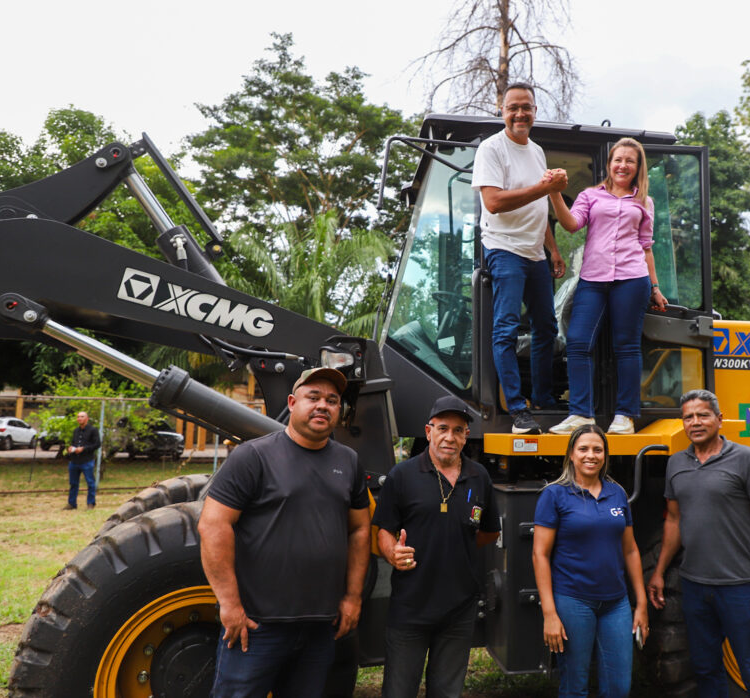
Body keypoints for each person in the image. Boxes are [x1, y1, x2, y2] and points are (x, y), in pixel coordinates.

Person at [198, 367, 371, 697]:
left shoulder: (349, 462)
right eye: (313, 397)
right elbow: (213, 524)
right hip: (258, 626)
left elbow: (360, 529)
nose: (323, 406)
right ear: (292, 403)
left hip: (321, 626)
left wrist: (352, 597)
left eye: (332, 400)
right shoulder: (253, 456)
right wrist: (230, 605)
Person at [646, 389, 750, 697]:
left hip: (739, 587)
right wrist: (658, 571)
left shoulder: (746, 459)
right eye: (688, 417)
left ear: (719, 419)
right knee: (705, 669)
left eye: (703, 415)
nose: (695, 422)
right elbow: (674, 521)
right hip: (695, 587)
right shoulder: (676, 463)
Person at [372, 395, 500, 698]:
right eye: (443, 428)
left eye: (458, 430)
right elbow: (383, 530)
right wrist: (392, 553)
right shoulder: (402, 475)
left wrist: (455, 545)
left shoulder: (479, 476)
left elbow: (489, 532)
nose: (450, 437)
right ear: (428, 431)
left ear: (466, 436)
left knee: (446, 692)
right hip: (411, 607)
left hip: (459, 609)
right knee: (399, 691)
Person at [546, 137, 668, 436]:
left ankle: (625, 416)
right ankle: (580, 414)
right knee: (577, 341)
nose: (623, 165)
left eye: (630, 161)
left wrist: (655, 287)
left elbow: (646, 247)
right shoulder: (590, 196)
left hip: (632, 279)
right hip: (593, 279)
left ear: (637, 167)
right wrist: (554, 193)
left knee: (626, 346)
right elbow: (571, 224)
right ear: (609, 164)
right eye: (618, 160)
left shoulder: (644, 202)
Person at [471, 82, 568, 435]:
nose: (520, 113)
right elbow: (493, 202)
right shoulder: (491, 149)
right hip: (504, 249)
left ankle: (542, 398)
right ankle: (517, 408)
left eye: (526, 107)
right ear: (502, 111)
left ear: (535, 111)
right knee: (507, 329)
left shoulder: (537, 151)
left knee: (547, 327)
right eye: (513, 107)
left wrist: (552, 249)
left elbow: (539, 208)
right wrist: (545, 187)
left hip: (535, 253)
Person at [532, 424, 649, 698]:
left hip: (616, 603)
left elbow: (630, 550)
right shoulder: (554, 494)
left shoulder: (617, 493)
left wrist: (641, 603)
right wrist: (550, 613)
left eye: (598, 449)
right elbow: (540, 555)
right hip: (573, 601)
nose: (591, 455)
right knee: (575, 687)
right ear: (571, 455)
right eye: (583, 449)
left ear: (605, 455)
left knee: (619, 688)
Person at [64, 411, 100, 510]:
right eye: (78, 417)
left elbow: (97, 444)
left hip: (87, 460)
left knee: (90, 483)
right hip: (74, 461)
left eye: (82, 416)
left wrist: (84, 449)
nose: (79, 418)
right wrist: (71, 448)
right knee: (73, 483)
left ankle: (91, 503)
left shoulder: (93, 430)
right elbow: (74, 443)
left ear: (87, 419)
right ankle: (72, 503)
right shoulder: (76, 431)